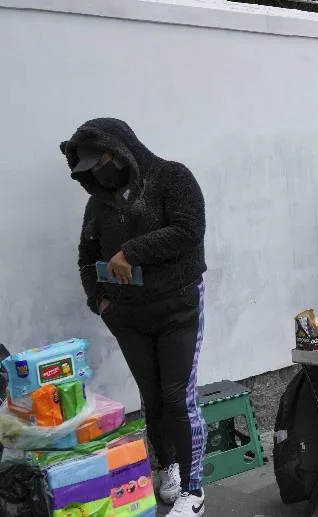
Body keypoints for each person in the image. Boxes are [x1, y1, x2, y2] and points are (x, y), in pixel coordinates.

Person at [60, 118, 209, 517]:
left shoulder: (172, 179)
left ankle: (193, 492)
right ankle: (170, 468)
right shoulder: (98, 203)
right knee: (153, 398)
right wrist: (100, 302)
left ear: (121, 149)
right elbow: (86, 257)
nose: (99, 171)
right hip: (128, 317)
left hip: (178, 307)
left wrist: (131, 252)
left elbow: (189, 230)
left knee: (178, 397)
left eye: (103, 160)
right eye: (91, 168)